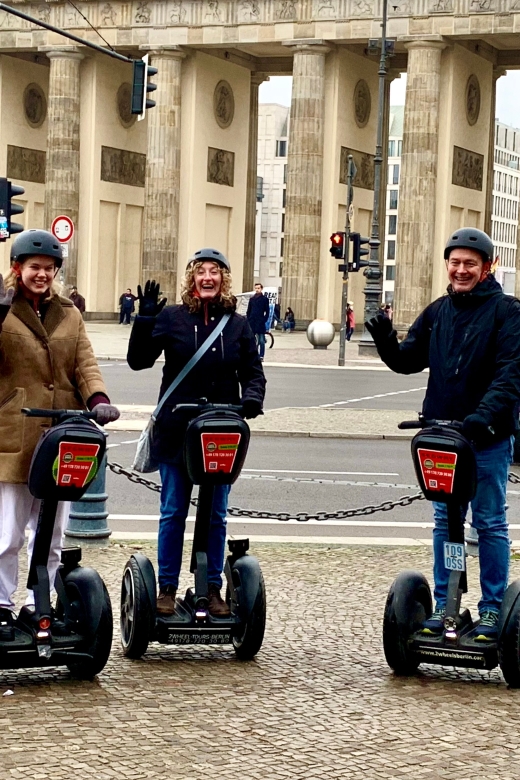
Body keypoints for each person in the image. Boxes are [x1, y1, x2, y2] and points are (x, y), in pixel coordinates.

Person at [366, 227, 520, 642]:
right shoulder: (438, 311)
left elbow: (510, 374)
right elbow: (407, 361)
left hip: (485, 437)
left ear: (488, 267)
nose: (461, 269)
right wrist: (383, 335)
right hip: (442, 437)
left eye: (471, 263)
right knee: (444, 523)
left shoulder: (508, 312)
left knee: (488, 522)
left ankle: (490, 610)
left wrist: (481, 417)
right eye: (455, 262)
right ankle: (445, 604)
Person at [127, 248, 266, 618]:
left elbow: (253, 370)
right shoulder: (172, 318)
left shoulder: (237, 324)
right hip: (176, 430)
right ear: (191, 278)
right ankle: (167, 588)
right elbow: (138, 361)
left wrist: (251, 399)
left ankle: (212, 588)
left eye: (215, 272)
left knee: (217, 513)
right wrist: (144, 318)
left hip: (220, 432)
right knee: (173, 510)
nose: (207, 278)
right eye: (200, 271)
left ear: (224, 279)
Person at [0, 229, 120, 629]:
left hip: (62, 436)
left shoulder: (69, 312)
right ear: (17, 268)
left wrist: (98, 400)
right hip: (14, 434)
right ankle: (1, 606)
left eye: (49, 269)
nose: (42, 275)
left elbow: (84, 363)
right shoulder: (3, 309)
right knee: (8, 534)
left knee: (50, 533)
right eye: (35, 267)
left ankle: (41, 603)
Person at [246, 282, 269, 360]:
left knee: (261, 340)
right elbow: (248, 310)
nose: (257, 290)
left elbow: (267, 311)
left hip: (260, 322)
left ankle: (261, 355)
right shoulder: (252, 299)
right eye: (256, 288)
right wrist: (248, 319)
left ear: (261, 289)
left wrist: (264, 320)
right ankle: (253, 355)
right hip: (252, 322)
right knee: (252, 340)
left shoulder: (265, 299)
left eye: (258, 288)